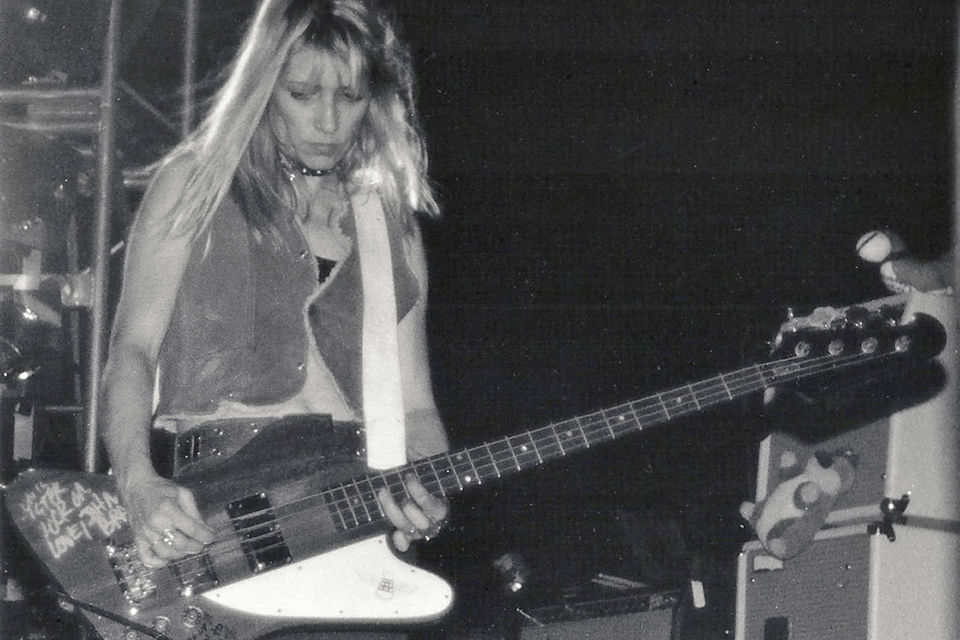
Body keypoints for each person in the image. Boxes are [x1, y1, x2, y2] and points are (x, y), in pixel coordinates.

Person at [99, 0, 451, 636]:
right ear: (264, 87)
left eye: (349, 95)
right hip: (219, 516)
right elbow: (131, 350)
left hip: (356, 523)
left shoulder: (389, 224)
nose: (327, 119)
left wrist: (426, 489)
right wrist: (136, 482)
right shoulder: (194, 183)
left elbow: (416, 406)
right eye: (302, 92)